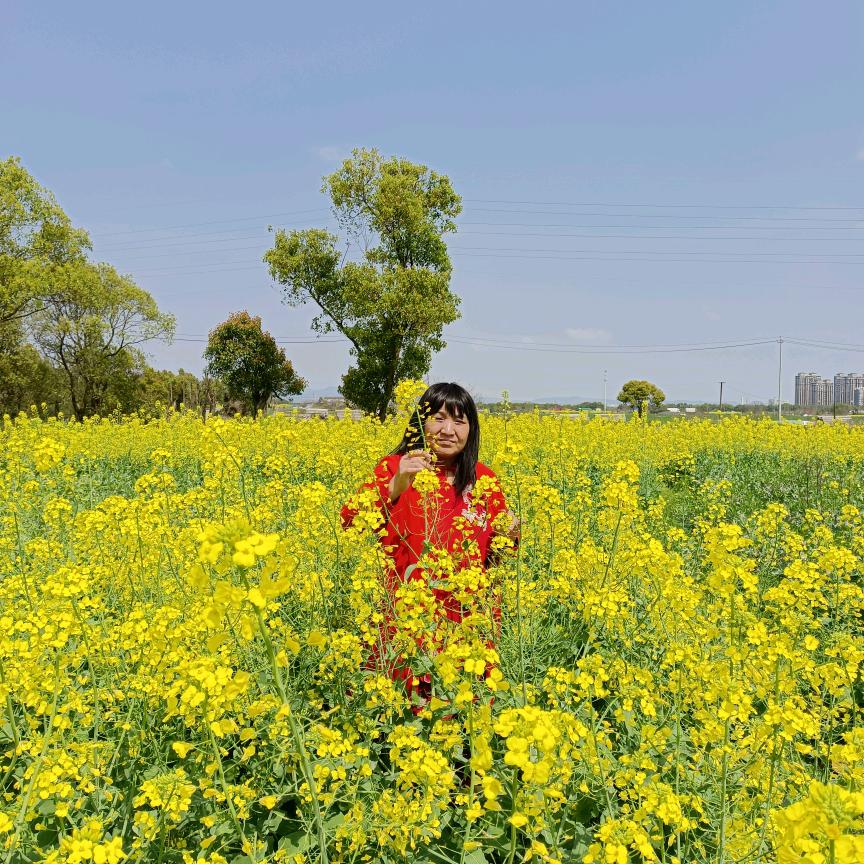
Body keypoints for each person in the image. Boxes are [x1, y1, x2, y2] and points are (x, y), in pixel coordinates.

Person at [340, 382, 519, 704]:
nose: (448, 430)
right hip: (407, 617)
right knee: (401, 707)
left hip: (466, 619)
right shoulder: (395, 467)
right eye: (438, 418)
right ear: (421, 422)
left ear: (471, 430)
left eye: (459, 421)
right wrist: (396, 485)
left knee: (463, 710)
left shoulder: (484, 479)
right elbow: (350, 522)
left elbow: (498, 554)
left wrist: (510, 533)